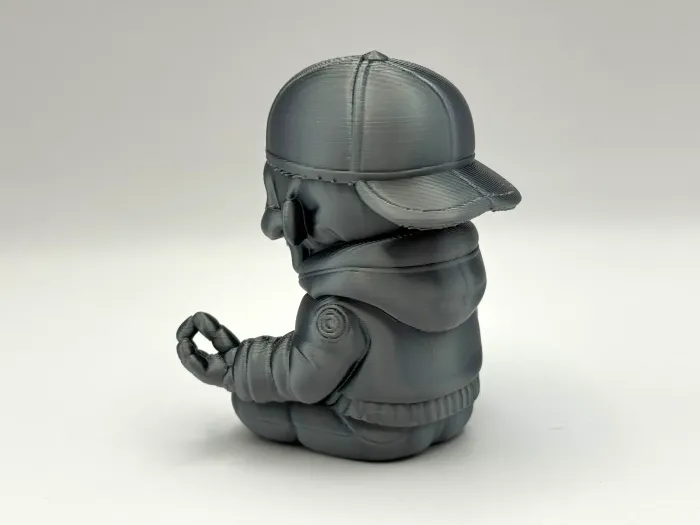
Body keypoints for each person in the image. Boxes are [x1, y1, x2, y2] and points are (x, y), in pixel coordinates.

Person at [176, 50, 522, 461]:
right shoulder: (462, 272)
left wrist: (238, 366)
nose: (275, 228)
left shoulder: (338, 311)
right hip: (459, 409)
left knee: (253, 410)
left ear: (300, 207)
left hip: (375, 429)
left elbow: (306, 379)